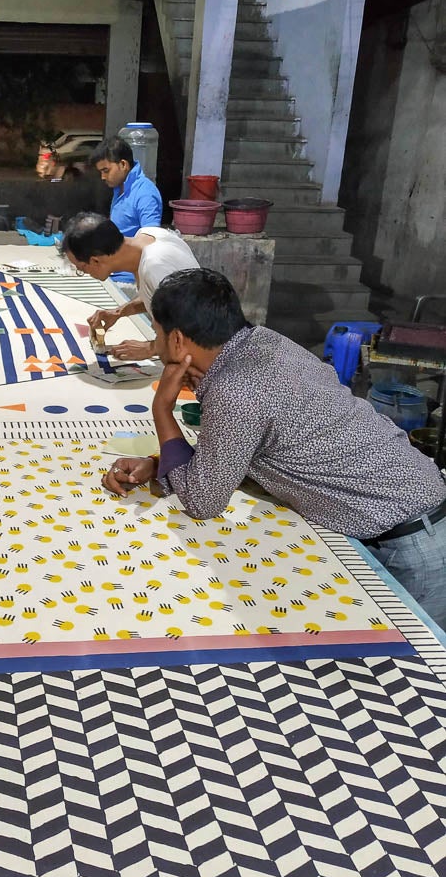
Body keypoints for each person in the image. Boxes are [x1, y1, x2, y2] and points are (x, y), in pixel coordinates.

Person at [102, 268, 446, 626]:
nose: (155, 344)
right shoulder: (263, 341)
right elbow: (233, 451)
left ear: (176, 340)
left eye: (156, 333)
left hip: (412, 542)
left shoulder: (235, 391)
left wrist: (162, 410)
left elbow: (203, 501)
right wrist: (161, 464)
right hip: (415, 509)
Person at [61, 211, 198, 361]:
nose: (84, 273)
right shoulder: (149, 234)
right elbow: (161, 297)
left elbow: (193, 327)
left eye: (81, 269)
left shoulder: (155, 266)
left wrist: (151, 348)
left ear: (95, 261)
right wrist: (119, 312)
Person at [90, 135, 162, 237]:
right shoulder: (118, 187)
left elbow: (150, 239)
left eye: (106, 171)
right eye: (101, 172)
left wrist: (119, 244)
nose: (103, 177)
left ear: (123, 165)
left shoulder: (145, 193)